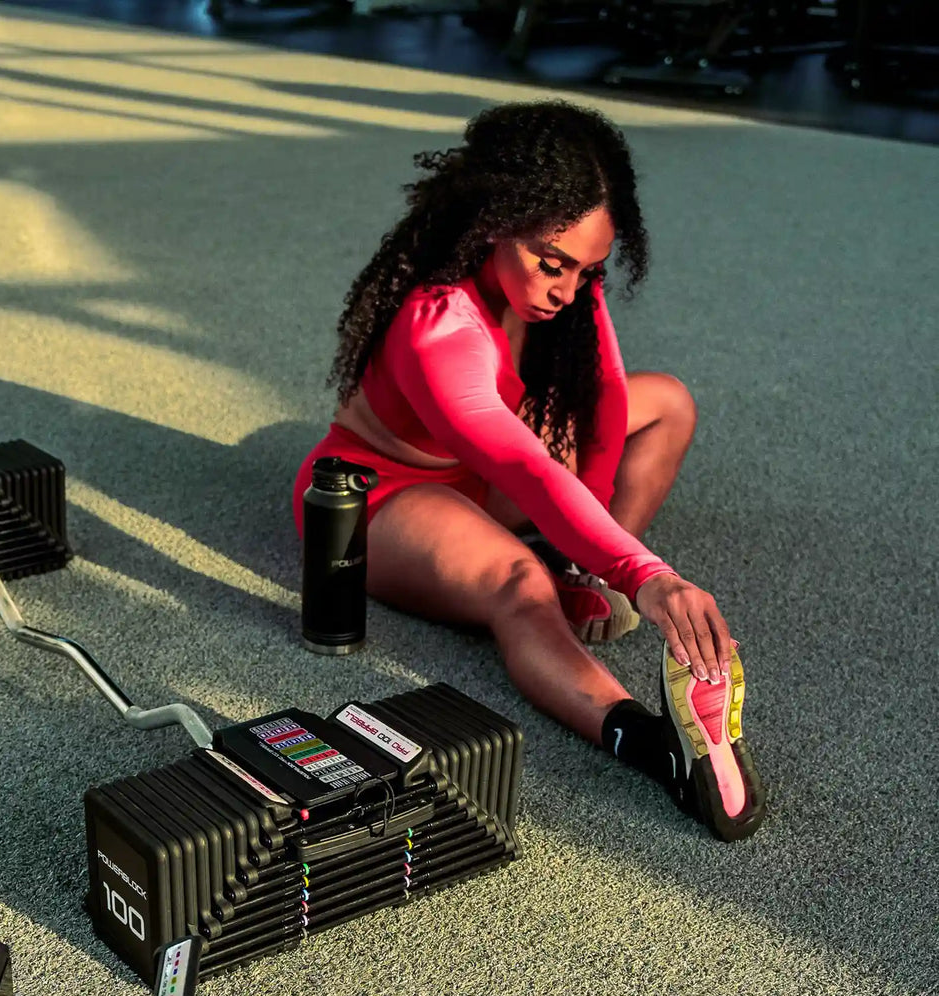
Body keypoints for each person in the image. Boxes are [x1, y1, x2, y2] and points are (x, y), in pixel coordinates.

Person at [292, 101, 766, 842]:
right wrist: (647, 574)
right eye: (552, 263)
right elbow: (525, 465)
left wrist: (600, 564)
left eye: (588, 269)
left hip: (486, 475)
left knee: (666, 403)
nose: (567, 290)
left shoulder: (563, 283)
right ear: (494, 223)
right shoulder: (437, 325)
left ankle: (572, 564)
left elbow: (605, 403)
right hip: (382, 494)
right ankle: (653, 747)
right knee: (522, 586)